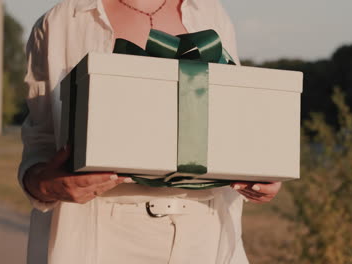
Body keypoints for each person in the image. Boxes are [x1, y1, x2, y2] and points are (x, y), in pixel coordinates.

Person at [19, 0, 282, 263]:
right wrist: (45, 185)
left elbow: (229, 123)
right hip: (102, 237)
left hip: (205, 234)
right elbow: (40, 144)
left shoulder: (211, 13)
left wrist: (257, 172)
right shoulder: (61, 21)